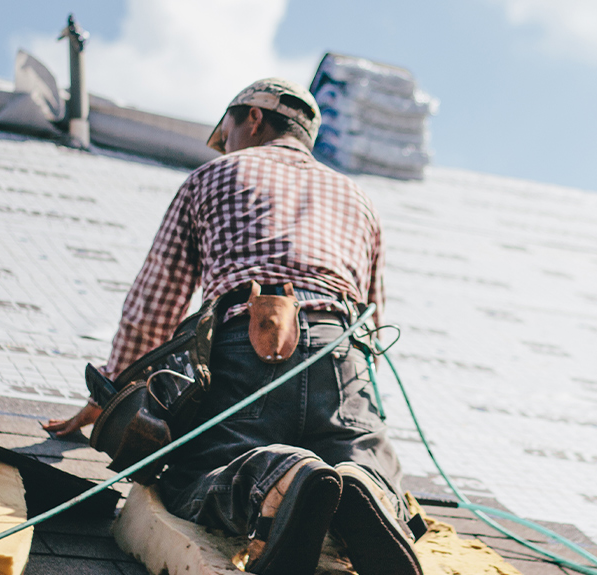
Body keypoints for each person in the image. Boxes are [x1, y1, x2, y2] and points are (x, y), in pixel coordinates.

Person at [43, 78, 421, 575]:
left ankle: (279, 477)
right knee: (361, 457)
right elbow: (374, 318)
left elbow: (155, 301)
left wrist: (110, 394)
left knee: (197, 472)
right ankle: (366, 487)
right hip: (340, 350)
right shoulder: (358, 198)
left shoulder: (213, 176)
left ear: (253, 119)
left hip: (246, 347)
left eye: (226, 133)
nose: (225, 144)